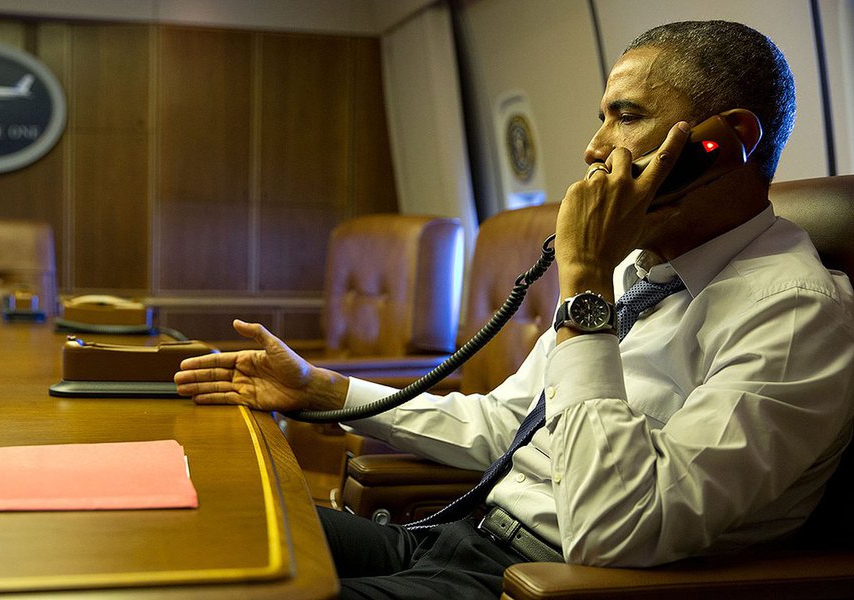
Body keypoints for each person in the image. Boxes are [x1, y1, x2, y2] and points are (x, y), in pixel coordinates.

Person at [175, 20, 854, 600]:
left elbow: (617, 529)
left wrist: (585, 282)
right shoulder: (640, 270)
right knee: (204, 525)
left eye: (625, 116)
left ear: (727, 138)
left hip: (536, 582)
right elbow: (513, 423)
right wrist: (321, 389)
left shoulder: (793, 312)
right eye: (601, 118)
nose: (593, 149)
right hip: (452, 537)